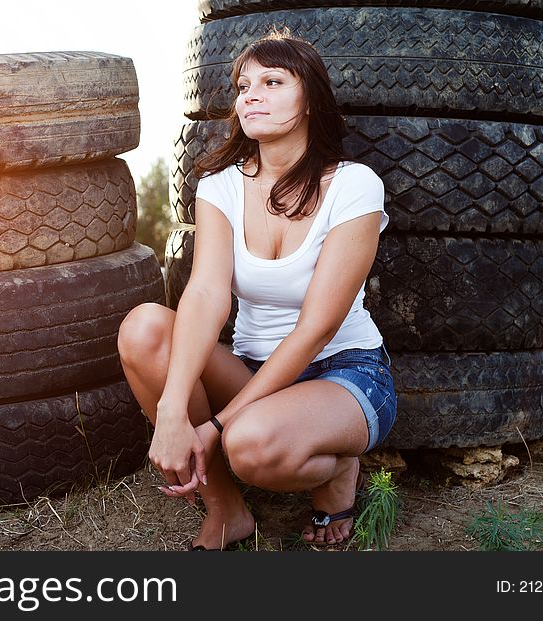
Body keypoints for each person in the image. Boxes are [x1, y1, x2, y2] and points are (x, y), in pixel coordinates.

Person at [117, 31, 397, 550]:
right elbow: (205, 294)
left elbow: (318, 328)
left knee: (248, 447)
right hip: (250, 366)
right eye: (244, 86)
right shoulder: (220, 185)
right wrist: (174, 409)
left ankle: (337, 476)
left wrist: (217, 425)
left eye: (272, 82)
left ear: (309, 98)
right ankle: (226, 511)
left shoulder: (354, 184)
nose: (251, 95)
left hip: (343, 370)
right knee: (144, 329)